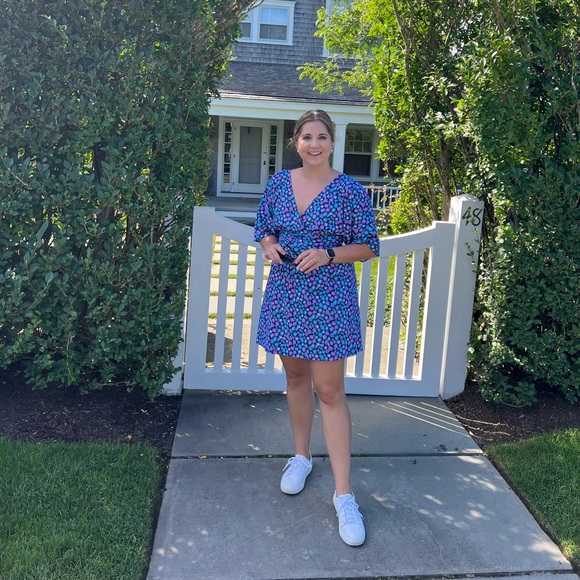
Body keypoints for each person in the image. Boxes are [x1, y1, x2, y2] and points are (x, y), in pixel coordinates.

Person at [254, 109, 380, 547]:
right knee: (295, 379)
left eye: (321, 136)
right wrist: (271, 246)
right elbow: (264, 228)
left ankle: (344, 495)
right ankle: (301, 457)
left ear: (331, 142)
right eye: (307, 136)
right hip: (288, 292)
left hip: (330, 298)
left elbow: (368, 246)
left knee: (329, 391)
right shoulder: (278, 184)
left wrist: (328, 254)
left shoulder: (349, 191)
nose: (314, 144)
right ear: (296, 141)